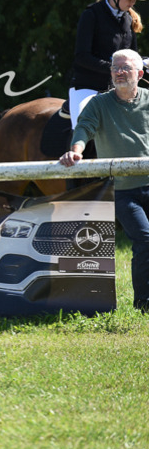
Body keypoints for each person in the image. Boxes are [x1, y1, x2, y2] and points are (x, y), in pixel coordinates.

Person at [60, 49, 149, 313]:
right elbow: (84, 128)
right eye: (115, 68)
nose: (119, 72)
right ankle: (144, 305)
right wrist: (75, 150)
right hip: (123, 191)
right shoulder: (98, 103)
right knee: (145, 240)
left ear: (140, 74)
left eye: (126, 68)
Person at [67, 0, 147, 130]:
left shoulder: (127, 20)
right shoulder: (91, 15)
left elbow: (133, 56)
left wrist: (143, 63)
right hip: (87, 87)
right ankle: (75, 153)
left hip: (118, 88)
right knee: (84, 126)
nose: (133, 2)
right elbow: (82, 57)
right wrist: (114, 68)